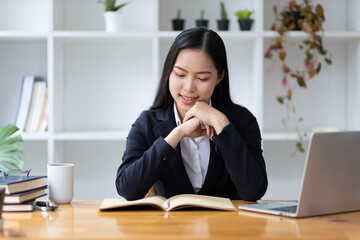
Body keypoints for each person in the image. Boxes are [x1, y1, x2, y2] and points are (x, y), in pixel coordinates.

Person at [116, 27, 267, 201]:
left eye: (202, 78)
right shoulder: (147, 123)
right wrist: (177, 134)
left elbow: (254, 191)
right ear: (169, 72)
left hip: (227, 226)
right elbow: (126, 188)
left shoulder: (242, 121)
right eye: (180, 74)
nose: (188, 87)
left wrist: (222, 125)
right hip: (170, 226)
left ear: (220, 77)